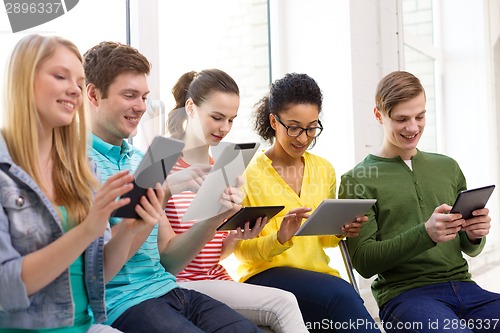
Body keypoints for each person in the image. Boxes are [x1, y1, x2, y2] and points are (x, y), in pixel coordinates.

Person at [83, 41, 264, 333]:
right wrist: (162, 193)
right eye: (130, 95)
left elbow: (169, 261)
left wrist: (216, 218)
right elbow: (95, 270)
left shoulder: (147, 159)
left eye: (144, 97)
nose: (141, 107)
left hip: (169, 290)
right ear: (92, 94)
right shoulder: (77, 164)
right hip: (121, 302)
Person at [0, 34, 164, 332]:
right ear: (24, 80)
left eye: (78, 81)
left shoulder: (80, 168)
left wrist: (133, 226)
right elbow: (7, 287)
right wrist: (88, 229)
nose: (74, 90)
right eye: (60, 76)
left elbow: (98, 273)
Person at [339, 70, 500, 333]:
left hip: (467, 290)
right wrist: (426, 233)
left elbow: (470, 250)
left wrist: (474, 234)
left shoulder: (448, 167)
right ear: (379, 115)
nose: (413, 128)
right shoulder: (357, 179)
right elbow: (365, 263)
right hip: (406, 297)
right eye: (401, 119)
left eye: (420, 116)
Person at [165, 69, 309, 333]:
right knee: (284, 303)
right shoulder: (163, 164)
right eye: (217, 117)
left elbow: (213, 255)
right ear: (190, 108)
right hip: (179, 283)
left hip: (215, 278)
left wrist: (237, 236)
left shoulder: (224, 165)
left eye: (231, 119)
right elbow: (168, 261)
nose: (224, 128)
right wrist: (216, 218)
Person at [235, 73, 380, 333]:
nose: (303, 138)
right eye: (293, 127)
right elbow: (240, 250)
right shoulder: (247, 173)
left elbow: (324, 239)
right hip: (264, 278)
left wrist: (340, 230)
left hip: (319, 280)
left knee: (340, 298)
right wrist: (278, 239)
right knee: (342, 295)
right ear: (273, 121)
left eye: (311, 128)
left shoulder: (324, 169)